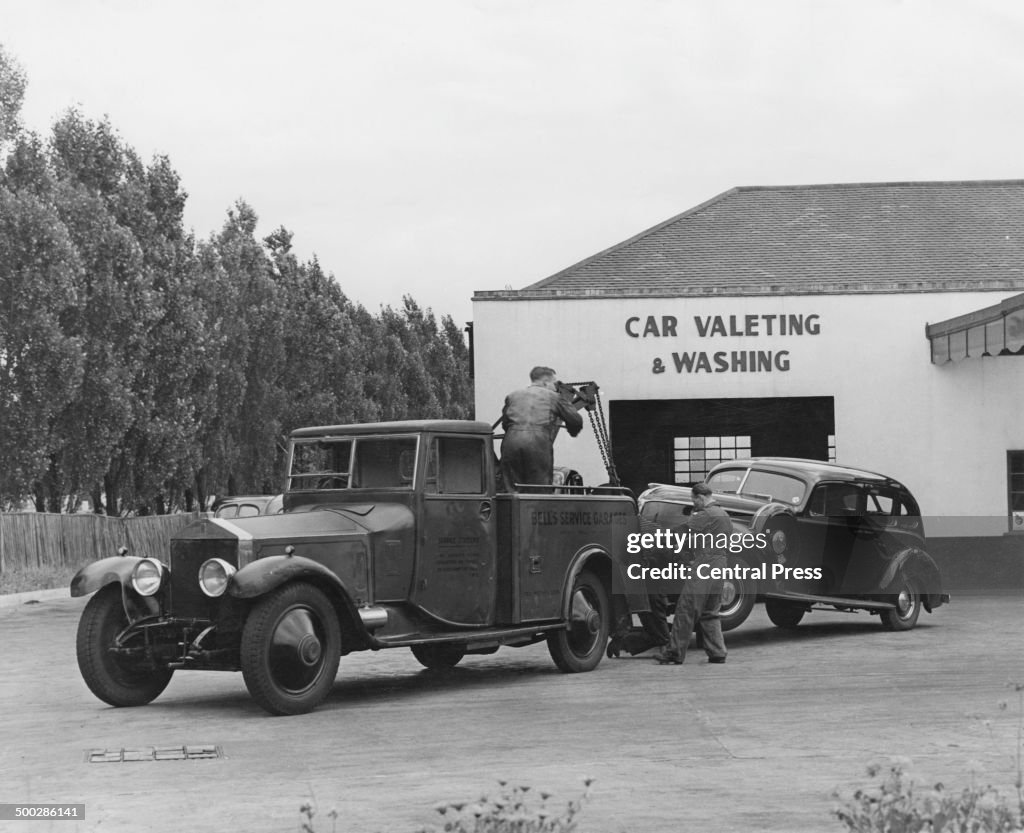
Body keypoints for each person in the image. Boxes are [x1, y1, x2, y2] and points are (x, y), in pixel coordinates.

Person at [654, 482, 731, 665]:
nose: (693, 504)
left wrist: (656, 537)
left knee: (686, 610)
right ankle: (717, 652)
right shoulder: (724, 514)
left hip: (705, 566)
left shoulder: (706, 514)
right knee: (710, 612)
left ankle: (674, 653)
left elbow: (683, 531)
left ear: (700, 497)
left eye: (693, 500)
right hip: (720, 566)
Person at [500, 367, 584, 492]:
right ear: (545, 382)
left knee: (511, 489)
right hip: (537, 443)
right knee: (539, 489)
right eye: (554, 383)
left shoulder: (513, 396)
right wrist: (573, 432)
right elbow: (575, 421)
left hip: (511, 442)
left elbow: (505, 423)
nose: (556, 387)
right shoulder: (554, 397)